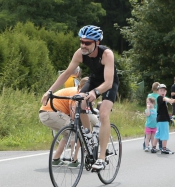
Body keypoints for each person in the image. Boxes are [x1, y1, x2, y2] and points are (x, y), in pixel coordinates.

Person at [41, 25, 119, 170]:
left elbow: (108, 82)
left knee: (103, 114)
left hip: (109, 83)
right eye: (81, 41)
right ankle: (88, 136)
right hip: (93, 80)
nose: (83, 45)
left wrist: (95, 93)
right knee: (78, 102)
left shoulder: (107, 54)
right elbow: (65, 73)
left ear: (97, 43)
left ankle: (101, 158)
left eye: (87, 43)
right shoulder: (79, 53)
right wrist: (49, 91)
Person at [39, 77, 88, 168]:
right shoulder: (77, 93)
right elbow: (73, 111)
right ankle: (74, 161)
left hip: (45, 114)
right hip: (51, 113)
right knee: (76, 132)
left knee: (67, 134)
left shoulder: (75, 89)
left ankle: (56, 159)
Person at [151, 84, 175, 154]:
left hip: (160, 119)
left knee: (158, 134)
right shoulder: (160, 98)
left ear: (166, 91)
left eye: (164, 90)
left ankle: (153, 148)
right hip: (163, 120)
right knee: (165, 134)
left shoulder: (163, 98)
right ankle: (164, 149)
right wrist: (170, 100)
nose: (162, 92)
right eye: (161, 90)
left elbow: (172, 100)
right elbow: (167, 99)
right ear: (158, 91)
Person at [143, 82, 162, 150]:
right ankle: (159, 146)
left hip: (152, 112)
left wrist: (147, 107)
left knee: (148, 135)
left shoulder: (149, 95)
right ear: (158, 89)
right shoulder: (159, 96)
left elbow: (147, 103)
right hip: (155, 112)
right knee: (156, 134)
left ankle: (146, 145)